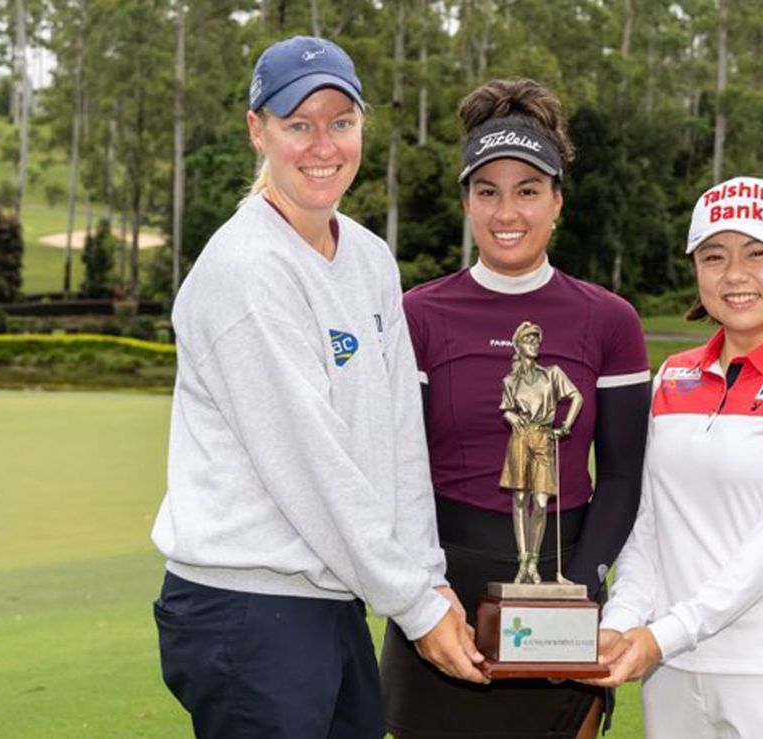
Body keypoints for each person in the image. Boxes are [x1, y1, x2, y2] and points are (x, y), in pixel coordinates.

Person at [149, 35, 485, 739]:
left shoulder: (367, 256)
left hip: (328, 599)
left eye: (340, 121)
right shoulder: (247, 269)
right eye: (297, 124)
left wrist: (426, 576)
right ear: (257, 131)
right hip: (245, 607)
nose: (321, 144)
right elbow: (312, 465)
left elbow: (396, 437)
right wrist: (416, 607)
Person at [380, 79, 651, 739]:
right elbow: (394, 471)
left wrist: (582, 587)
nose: (509, 211)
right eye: (488, 190)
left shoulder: (609, 320)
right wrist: (423, 593)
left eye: (528, 190)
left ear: (558, 201)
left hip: (564, 578)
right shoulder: (416, 314)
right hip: (444, 588)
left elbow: (621, 475)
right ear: (467, 201)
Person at [587, 176, 763, 738]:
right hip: (673, 670)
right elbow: (650, 526)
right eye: (714, 256)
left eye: (758, 254)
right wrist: (620, 622)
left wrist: (662, 634)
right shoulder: (674, 376)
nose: (734, 275)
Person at [498, 320, 584, 584]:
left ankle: (534, 560)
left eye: (536, 340)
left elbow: (577, 397)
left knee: (542, 502)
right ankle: (523, 563)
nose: (534, 344)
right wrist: (511, 416)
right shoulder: (510, 380)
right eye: (528, 340)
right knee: (521, 499)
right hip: (520, 438)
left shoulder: (552, 374)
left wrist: (565, 427)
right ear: (518, 345)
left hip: (544, 437)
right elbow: (507, 408)